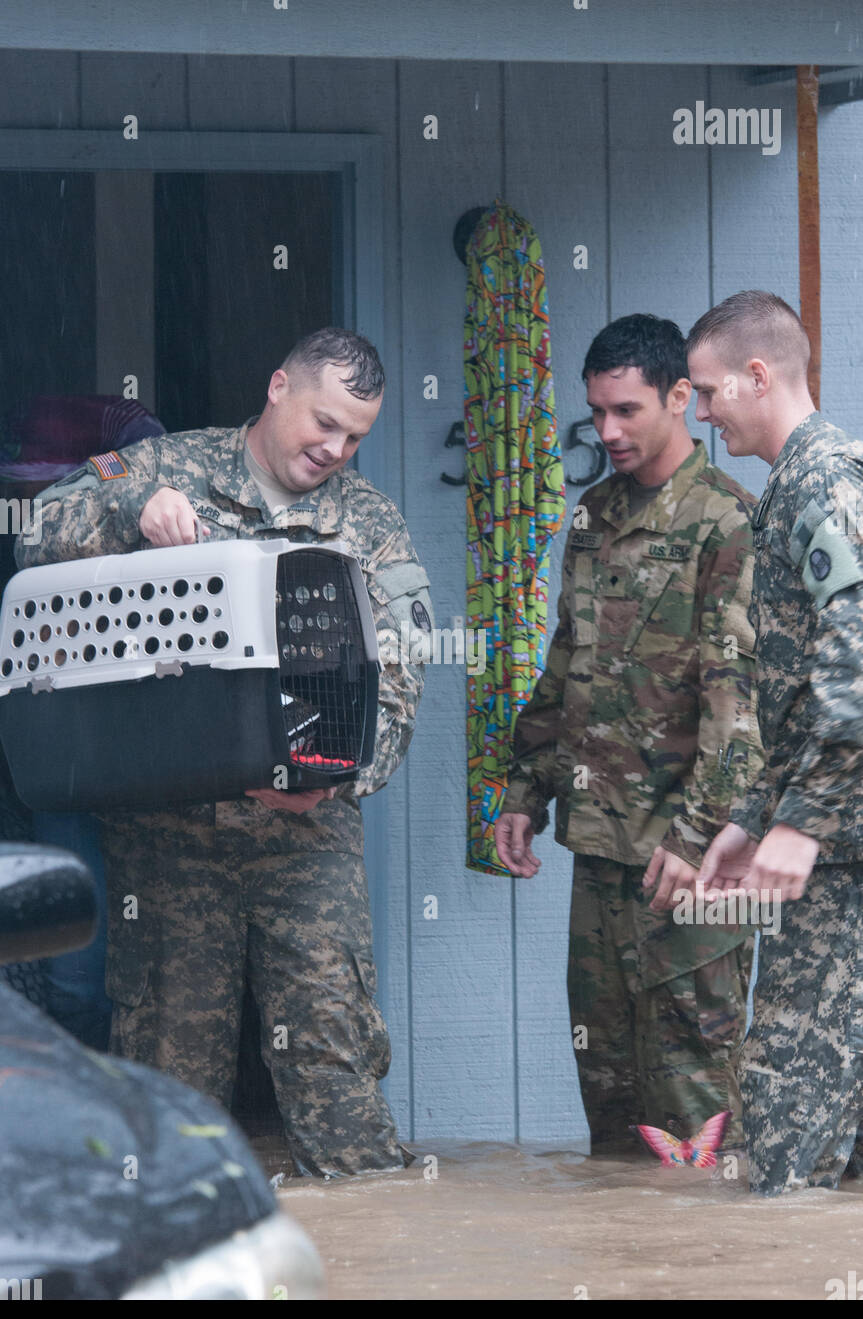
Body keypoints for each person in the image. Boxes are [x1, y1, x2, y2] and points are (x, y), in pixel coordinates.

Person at [14, 327, 433, 1179]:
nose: (334, 448)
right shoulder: (169, 468)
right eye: (323, 422)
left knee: (335, 1067)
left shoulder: (368, 521)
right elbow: (35, 532)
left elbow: (401, 674)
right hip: (170, 841)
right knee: (172, 1084)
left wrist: (345, 778)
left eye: (355, 436)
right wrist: (130, 511)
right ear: (278, 387)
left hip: (308, 843)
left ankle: (371, 1255)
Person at [495, 313, 761, 1154]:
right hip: (600, 850)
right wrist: (523, 790)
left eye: (626, 411)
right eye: (596, 413)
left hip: (691, 864)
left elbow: (738, 712)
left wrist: (691, 838)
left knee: (694, 1104)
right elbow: (566, 659)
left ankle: (710, 1279)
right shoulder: (596, 513)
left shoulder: (727, 523)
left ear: (680, 397)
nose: (606, 431)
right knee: (609, 1098)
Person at [688, 289, 863, 1195]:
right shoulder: (794, 487)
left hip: (838, 854)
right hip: (829, 841)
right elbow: (804, 693)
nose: (702, 411)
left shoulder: (823, 481)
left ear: (758, 377)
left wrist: (801, 823)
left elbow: (859, 652)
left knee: (779, 1146)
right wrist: (756, 817)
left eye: (707, 390)